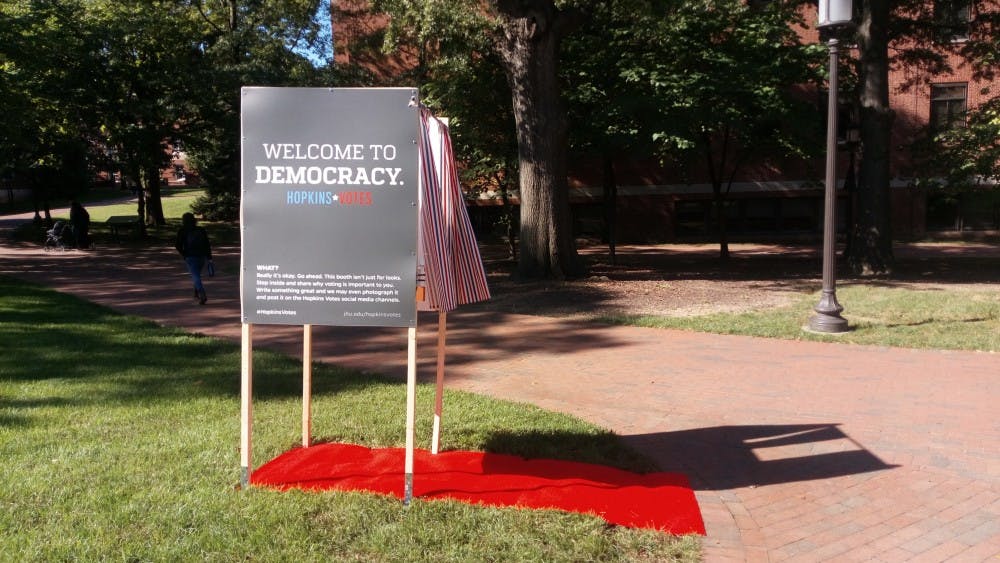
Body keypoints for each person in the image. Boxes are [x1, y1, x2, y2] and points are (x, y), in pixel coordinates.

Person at [175, 212, 213, 305]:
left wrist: (184, 254)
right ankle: (196, 292)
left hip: (190, 256)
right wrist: (209, 257)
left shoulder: (182, 230)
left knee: (195, 276)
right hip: (201, 256)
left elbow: (177, 245)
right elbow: (207, 244)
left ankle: (201, 292)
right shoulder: (201, 230)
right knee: (197, 274)